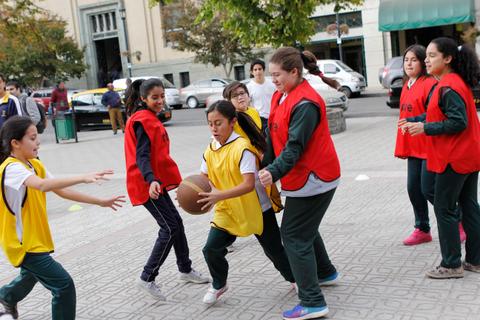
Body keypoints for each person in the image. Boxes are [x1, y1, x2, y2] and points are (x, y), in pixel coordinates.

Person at [0, 116, 125, 319]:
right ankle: (6, 297)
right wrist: (83, 177)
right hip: (23, 243)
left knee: (30, 275)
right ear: (15, 143)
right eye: (32, 138)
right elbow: (41, 185)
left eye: (37, 137)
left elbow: (61, 190)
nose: (38, 142)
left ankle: (6, 296)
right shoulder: (12, 168)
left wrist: (100, 201)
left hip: (35, 239)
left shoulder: (34, 165)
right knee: (63, 285)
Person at [258, 47, 341, 320]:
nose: (273, 80)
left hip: (315, 177)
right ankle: (325, 272)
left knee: (293, 235)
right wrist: (266, 164)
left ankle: (313, 301)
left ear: (294, 72)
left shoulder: (305, 102)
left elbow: (295, 147)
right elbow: (273, 137)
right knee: (305, 229)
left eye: (277, 75)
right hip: (302, 177)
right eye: (271, 75)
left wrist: (274, 171)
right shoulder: (282, 96)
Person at [198, 100, 295, 304]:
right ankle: (219, 284)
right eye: (210, 123)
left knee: (276, 252)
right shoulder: (210, 148)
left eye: (218, 123)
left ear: (232, 122)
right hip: (228, 209)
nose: (213, 128)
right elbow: (203, 177)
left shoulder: (243, 148)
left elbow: (248, 185)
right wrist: (194, 196)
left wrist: (217, 196)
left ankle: (296, 281)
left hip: (257, 208)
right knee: (210, 249)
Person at [124, 78, 210, 301]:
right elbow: (141, 156)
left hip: (154, 182)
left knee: (176, 224)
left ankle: (185, 269)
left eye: (162, 96)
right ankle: (147, 277)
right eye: (155, 97)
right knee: (170, 228)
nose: (160, 101)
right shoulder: (143, 120)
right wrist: (151, 179)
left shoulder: (150, 118)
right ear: (143, 99)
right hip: (146, 184)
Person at [401, 37, 480, 279]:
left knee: (446, 209)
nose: (426, 59)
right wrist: (417, 120)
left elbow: (458, 122)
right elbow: (437, 113)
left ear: (448, 59)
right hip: (467, 155)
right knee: (469, 206)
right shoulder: (450, 82)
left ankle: (451, 264)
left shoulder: (448, 86)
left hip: (454, 158)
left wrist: (425, 129)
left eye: (432, 55)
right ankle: (475, 261)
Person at [394, 45, 438, 245]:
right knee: (414, 189)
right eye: (406, 60)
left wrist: (416, 122)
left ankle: (459, 220)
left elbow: (435, 113)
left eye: (414, 60)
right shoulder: (407, 85)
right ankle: (422, 228)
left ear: (422, 62)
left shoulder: (430, 84)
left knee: (429, 189)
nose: (409, 64)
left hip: (428, 145)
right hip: (413, 147)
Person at [246, 59, 276, 132]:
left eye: (260, 69)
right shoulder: (249, 87)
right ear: (252, 72)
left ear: (263, 70)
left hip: (273, 117)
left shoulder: (272, 84)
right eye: (255, 70)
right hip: (259, 119)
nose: (258, 72)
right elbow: (247, 105)